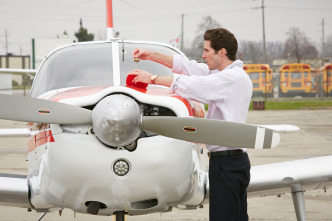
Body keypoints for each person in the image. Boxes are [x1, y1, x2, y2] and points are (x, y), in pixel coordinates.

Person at [129, 28, 253, 221]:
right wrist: (151, 55)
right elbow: (188, 67)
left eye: (206, 51)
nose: (203, 55)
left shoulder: (231, 79)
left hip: (228, 164)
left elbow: (193, 85)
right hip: (227, 162)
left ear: (221, 52)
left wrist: (152, 79)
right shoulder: (224, 74)